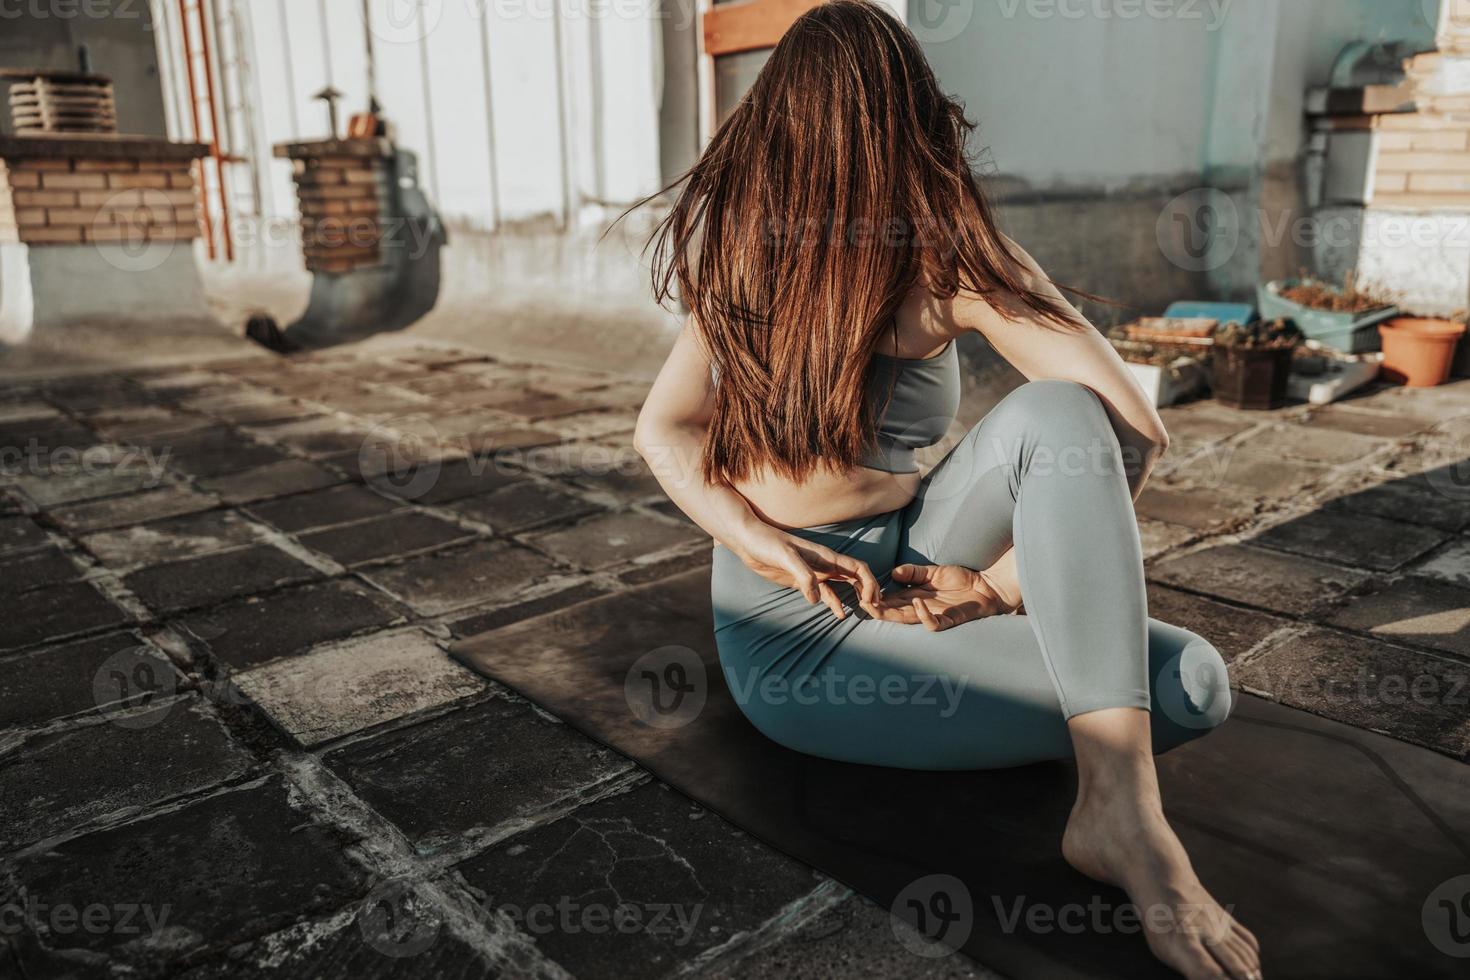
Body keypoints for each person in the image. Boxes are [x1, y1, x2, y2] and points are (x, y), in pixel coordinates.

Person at [631, 4, 1259, 979]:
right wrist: (751, 536)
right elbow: (662, 428)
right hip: (804, 634)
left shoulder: (947, 264)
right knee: (1184, 685)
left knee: (1059, 419)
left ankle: (1120, 812)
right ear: (911, 124)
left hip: (921, 557)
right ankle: (1114, 805)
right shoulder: (744, 261)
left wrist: (1002, 587)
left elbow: (1127, 427)